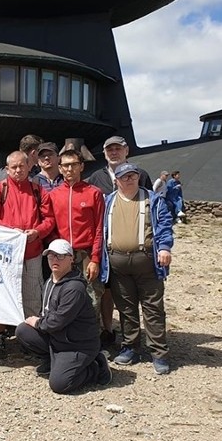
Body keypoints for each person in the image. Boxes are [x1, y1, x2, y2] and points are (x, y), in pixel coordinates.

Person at [100, 163, 174, 375]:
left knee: (153, 308)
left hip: (147, 262)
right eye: (124, 177)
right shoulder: (108, 201)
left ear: (138, 178)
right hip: (117, 263)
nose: (129, 180)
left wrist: (165, 247)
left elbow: (164, 225)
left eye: (133, 176)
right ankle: (130, 346)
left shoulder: (153, 199)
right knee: (126, 308)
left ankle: (159, 352)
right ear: (117, 180)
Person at [15, 239, 111, 393]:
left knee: (59, 385)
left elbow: (57, 321)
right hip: (58, 338)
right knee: (23, 331)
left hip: (77, 345)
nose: (54, 260)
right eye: (51, 256)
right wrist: (38, 322)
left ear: (71, 259)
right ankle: (51, 360)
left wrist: (37, 323)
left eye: (60, 256)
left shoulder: (74, 288)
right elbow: (47, 315)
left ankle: (95, 367)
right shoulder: (49, 282)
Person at [0, 150, 53, 359]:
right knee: (3, 295)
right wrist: (10, 231)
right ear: (6, 169)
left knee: (32, 296)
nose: (17, 170)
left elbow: (49, 220)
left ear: (29, 166)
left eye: (21, 166)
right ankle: (0, 337)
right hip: (5, 254)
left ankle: (30, 339)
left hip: (31, 252)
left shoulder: (38, 191)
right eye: (13, 167)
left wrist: (37, 232)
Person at [86, 135, 153, 346]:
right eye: (109, 150)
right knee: (107, 290)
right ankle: (108, 330)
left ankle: (138, 338)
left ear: (126, 151)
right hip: (108, 245)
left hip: (137, 246)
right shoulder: (96, 177)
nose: (113, 153)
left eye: (118, 149)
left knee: (135, 295)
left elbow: (153, 207)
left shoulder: (140, 175)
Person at [46, 146, 107, 340]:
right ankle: (65, 337)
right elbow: (51, 225)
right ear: (60, 168)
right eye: (65, 166)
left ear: (81, 166)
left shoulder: (94, 193)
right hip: (63, 254)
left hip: (86, 253)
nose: (69, 169)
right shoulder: (54, 195)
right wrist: (56, 250)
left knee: (91, 297)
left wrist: (95, 258)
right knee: (63, 296)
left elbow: (99, 228)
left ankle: (91, 338)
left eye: (73, 165)